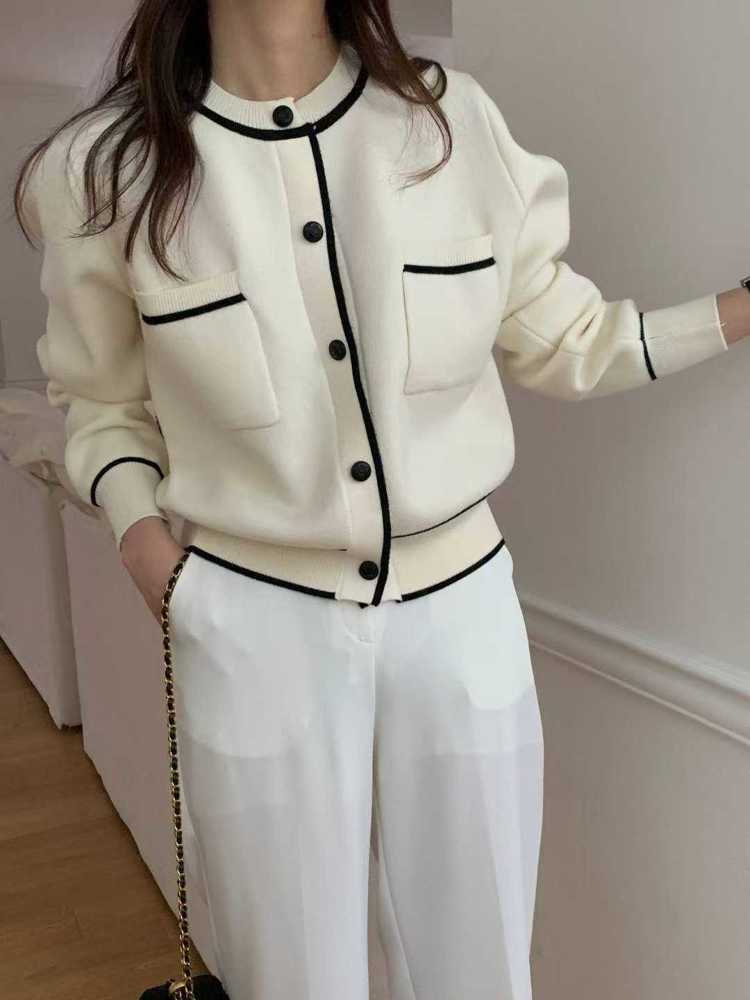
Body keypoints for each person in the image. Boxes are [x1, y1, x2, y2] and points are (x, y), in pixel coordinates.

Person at [14, 1, 749, 998]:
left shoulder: (450, 126)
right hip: (252, 622)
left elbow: (574, 342)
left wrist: (739, 308)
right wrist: (155, 558)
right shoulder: (109, 172)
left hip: (463, 616)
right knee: (287, 977)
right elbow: (102, 406)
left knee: (478, 971)